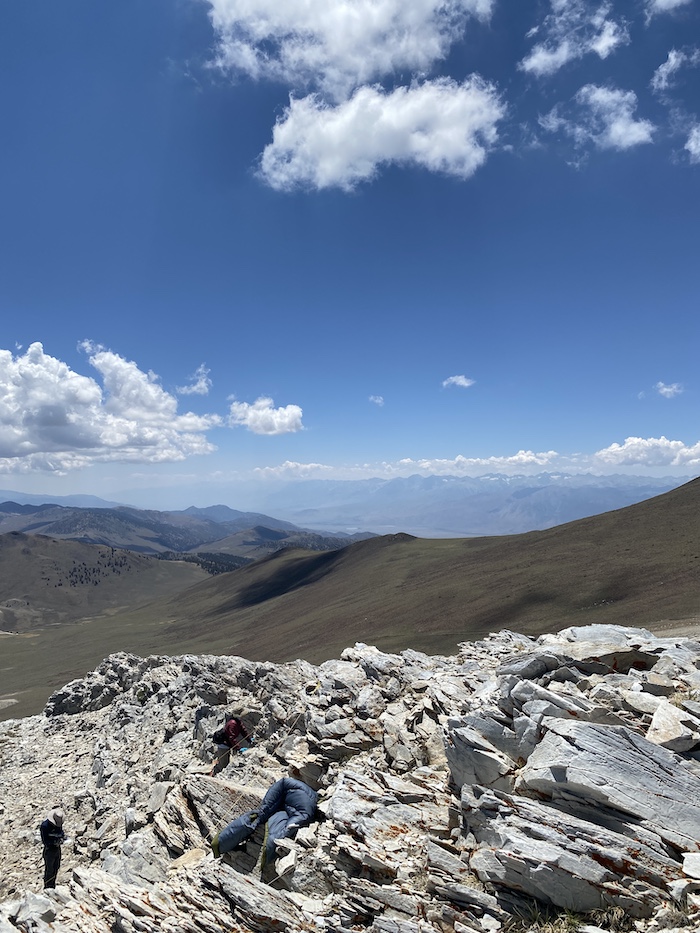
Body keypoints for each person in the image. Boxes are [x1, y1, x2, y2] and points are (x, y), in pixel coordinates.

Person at [212, 772, 317, 871]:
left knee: (255, 818)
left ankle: (220, 844)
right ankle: (220, 844)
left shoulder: (302, 806)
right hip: (290, 799)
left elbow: (298, 818)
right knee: (258, 817)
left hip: (293, 802)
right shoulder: (293, 793)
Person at [40, 808, 65, 888]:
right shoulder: (45, 826)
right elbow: (45, 841)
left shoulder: (58, 824)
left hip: (57, 849)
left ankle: (52, 884)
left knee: (56, 867)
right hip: (49, 850)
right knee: (49, 870)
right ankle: (48, 886)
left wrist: (61, 839)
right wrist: (54, 842)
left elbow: (61, 833)